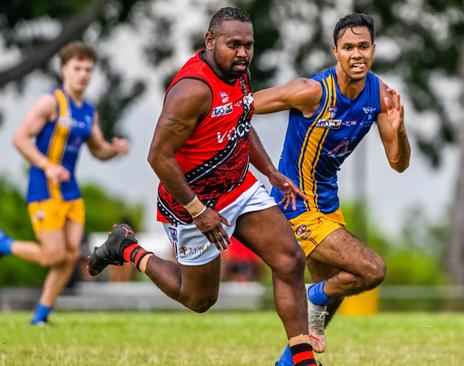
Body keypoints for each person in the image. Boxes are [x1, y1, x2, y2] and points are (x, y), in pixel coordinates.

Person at [86, 8, 318, 366]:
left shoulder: (238, 72)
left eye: (248, 45)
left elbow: (241, 120)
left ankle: (302, 361)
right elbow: (158, 157)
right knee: (198, 299)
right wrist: (199, 212)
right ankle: (129, 249)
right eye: (233, 44)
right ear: (210, 42)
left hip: (239, 187)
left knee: (290, 259)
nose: (243, 53)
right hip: (192, 204)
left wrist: (270, 172)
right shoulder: (192, 90)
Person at [252, 13, 410, 362]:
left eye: (363, 46)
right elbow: (243, 107)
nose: (357, 54)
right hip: (294, 206)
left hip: (328, 206)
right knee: (371, 270)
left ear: (374, 49)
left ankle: (287, 359)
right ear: (335, 51)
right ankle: (312, 297)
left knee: (331, 293)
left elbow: (398, 163)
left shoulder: (380, 95)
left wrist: (399, 129)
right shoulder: (312, 91)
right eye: (348, 47)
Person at [0, 42, 129, 325]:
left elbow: (98, 150)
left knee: (70, 256)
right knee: (53, 255)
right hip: (43, 188)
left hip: (71, 191)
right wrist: (47, 166)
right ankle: (4, 244)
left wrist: (114, 149)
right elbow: (20, 139)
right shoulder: (50, 102)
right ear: (63, 70)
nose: (83, 74)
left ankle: (40, 317)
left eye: (88, 69)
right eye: (77, 68)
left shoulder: (88, 111)